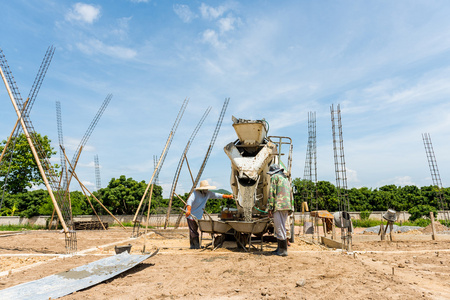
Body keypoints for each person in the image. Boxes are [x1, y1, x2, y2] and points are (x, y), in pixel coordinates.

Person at [185, 180, 233, 249]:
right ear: (201, 189)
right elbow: (189, 201)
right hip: (191, 215)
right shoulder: (195, 193)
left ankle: (193, 246)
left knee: (194, 231)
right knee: (193, 231)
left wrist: (228, 196)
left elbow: (217, 195)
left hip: (198, 216)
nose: (206, 190)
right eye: (205, 189)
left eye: (207, 188)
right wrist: (188, 210)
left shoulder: (208, 193)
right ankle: (196, 246)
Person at [266, 164, 293, 256]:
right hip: (286, 205)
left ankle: (282, 251)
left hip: (279, 205)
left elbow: (272, 192)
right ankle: (280, 249)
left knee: (279, 228)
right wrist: (291, 207)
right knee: (283, 227)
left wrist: (270, 208)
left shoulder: (274, 177)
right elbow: (290, 193)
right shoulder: (286, 179)